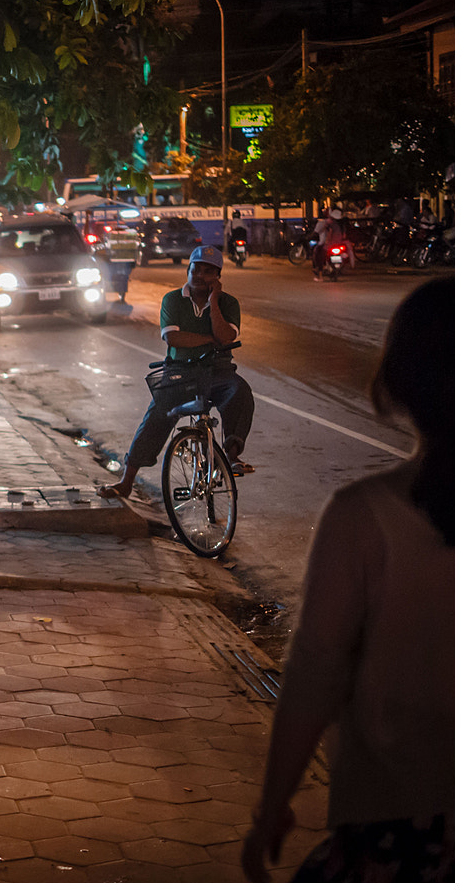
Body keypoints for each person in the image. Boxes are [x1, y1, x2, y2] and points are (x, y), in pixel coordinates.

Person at [241, 279, 454, 882]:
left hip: (396, 823)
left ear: (401, 382)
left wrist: (274, 805)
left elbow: (315, 671)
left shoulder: (364, 516)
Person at [96, 246, 254, 499]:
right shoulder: (172, 299)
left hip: (218, 371)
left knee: (240, 391)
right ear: (188, 270)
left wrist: (214, 303)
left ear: (218, 277)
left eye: (207, 271)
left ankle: (233, 456)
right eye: (196, 269)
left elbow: (225, 337)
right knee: (157, 416)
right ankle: (126, 481)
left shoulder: (228, 302)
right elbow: (173, 337)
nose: (200, 275)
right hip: (180, 372)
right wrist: (208, 339)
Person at [311, 206, 350, 279]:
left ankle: (320, 274)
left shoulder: (329, 223)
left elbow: (325, 233)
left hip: (330, 244)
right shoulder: (342, 224)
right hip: (340, 243)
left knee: (319, 254)